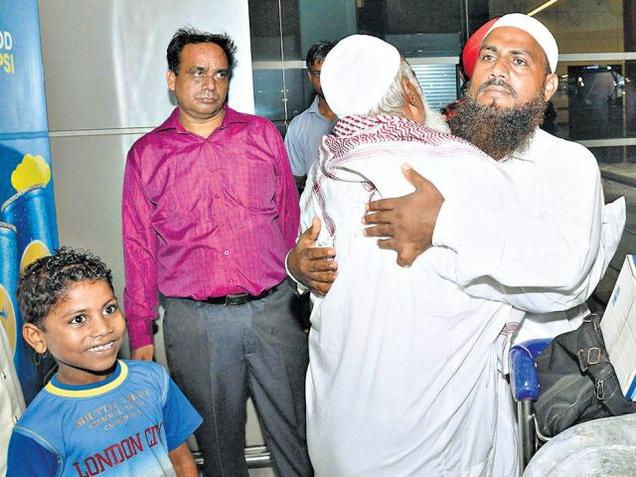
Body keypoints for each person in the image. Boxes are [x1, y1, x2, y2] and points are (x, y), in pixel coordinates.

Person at [290, 18, 623, 477]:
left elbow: (566, 276)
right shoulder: (433, 153)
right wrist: (299, 266)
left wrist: (442, 223)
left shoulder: (568, 165)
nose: (498, 69)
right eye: (489, 57)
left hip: (544, 379)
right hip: (430, 397)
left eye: (518, 60)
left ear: (548, 87)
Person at [121, 27, 311, 477]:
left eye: (221, 74)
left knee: (297, 441)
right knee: (219, 453)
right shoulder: (147, 155)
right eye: (198, 72)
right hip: (195, 324)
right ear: (172, 79)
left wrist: (304, 299)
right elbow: (138, 249)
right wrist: (141, 332)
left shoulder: (262, 135)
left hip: (275, 314)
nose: (211, 84)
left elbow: (290, 220)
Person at [6, 247, 202, 476]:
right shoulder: (37, 431)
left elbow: (183, 462)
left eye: (109, 309)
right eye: (78, 319)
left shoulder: (154, 379)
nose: (103, 328)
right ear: (37, 337)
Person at [284, 41, 337, 192]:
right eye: (318, 73)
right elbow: (294, 182)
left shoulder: (364, 118)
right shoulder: (298, 127)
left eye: (330, 71)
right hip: (316, 214)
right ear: (310, 76)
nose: (325, 80)